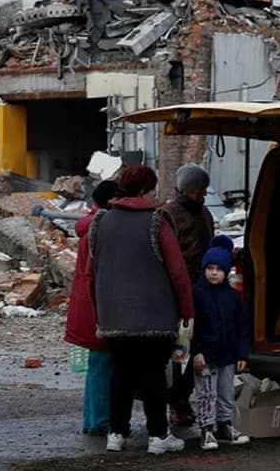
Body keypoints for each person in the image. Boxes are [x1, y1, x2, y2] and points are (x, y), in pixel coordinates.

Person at [88, 164, 194, 455]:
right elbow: (177, 272)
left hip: (114, 317)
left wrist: (100, 311)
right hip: (154, 315)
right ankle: (158, 435)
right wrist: (187, 311)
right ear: (144, 191)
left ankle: (116, 433)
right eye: (152, 189)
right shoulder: (157, 221)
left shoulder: (100, 221)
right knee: (153, 375)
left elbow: (90, 273)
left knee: (121, 374)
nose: (155, 195)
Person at [163, 163, 218, 432]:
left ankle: (202, 401)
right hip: (179, 295)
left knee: (202, 349)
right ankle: (178, 402)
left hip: (204, 292)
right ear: (186, 189)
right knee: (181, 353)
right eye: (199, 190)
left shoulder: (204, 213)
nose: (203, 195)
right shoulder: (168, 214)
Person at [64, 177, 119, 436]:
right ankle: (98, 421)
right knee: (102, 363)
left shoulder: (89, 226)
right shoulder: (98, 230)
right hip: (96, 307)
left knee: (98, 365)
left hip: (86, 305)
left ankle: (92, 419)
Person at [190, 244, 252, 450]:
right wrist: (196, 350)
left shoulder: (233, 296)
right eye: (210, 268)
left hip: (228, 353)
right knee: (206, 393)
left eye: (218, 269)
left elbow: (242, 326)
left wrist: (243, 353)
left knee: (226, 392)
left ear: (226, 271)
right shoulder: (197, 294)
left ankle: (225, 425)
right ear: (204, 270)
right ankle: (206, 429)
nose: (214, 272)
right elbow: (192, 327)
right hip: (206, 354)